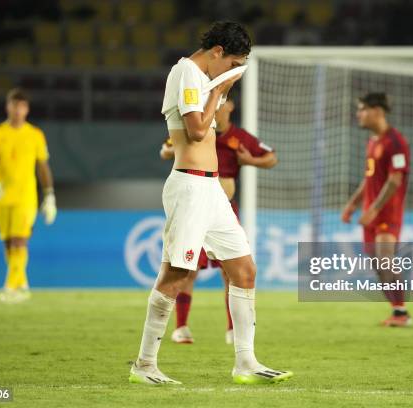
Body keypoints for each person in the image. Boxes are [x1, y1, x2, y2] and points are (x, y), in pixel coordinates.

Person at [129, 21, 292, 385]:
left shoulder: (201, 79)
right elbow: (198, 131)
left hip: (212, 191)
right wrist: (220, 90)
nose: (233, 71)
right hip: (189, 187)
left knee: (245, 269)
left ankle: (245, 362)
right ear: (217, 52)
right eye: (233, 63)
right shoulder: (187, 72)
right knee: (176, 275)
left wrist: (216, 87)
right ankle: (144, 365)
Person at [159, 94, 277, 345]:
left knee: (231, 270)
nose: (217, 107)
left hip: (225, 211)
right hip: (194, 208)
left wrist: (251, 161)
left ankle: (232, 330)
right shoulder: (197, 131)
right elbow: (165, 149)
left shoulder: (240, 138)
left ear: (231, 106)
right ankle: (181, 327)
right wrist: (170, 150)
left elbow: (271, 157)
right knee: (187, 269)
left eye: (223, 102)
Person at [341, 92, 412, 327]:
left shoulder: (395, 142)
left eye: (363, 109)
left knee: (384, 261)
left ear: (378, 111)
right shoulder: (373, 141)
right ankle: (396, 310)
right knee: (377, 264)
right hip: (370, 213)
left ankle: (401, 313)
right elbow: (369, 178)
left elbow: (395, 180)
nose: (358, 114)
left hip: (387, 213)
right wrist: (353, 203)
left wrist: (373, 209)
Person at [0, 88, 56, 303]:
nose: (17, 110)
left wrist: (49, 195)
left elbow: (42, 166)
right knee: (7, 242)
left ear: (27, 109)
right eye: (14, 106)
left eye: (21, 107)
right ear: (8, 107)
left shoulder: (35, 134)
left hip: (26, 197)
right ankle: (22, 282)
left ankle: (10, 287)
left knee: (19, 240)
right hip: (2, 197)